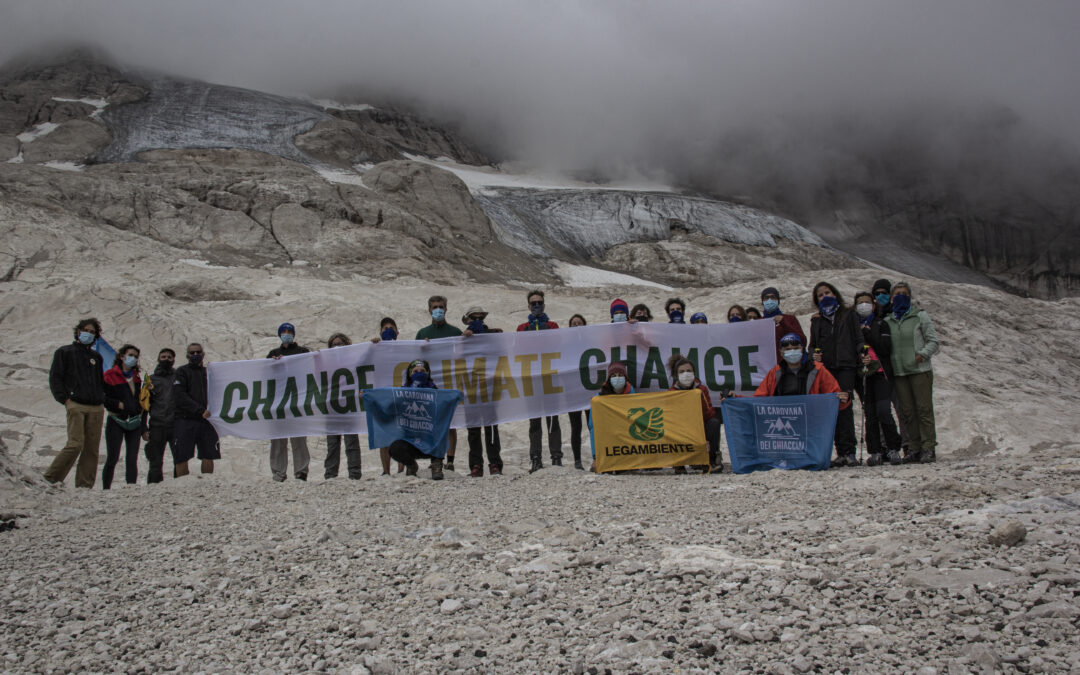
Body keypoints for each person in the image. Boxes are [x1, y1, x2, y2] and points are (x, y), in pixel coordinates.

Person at [44, 318, 106, 488]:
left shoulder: (96, 357)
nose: (88, 334)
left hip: (95, 406)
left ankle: (84, 485)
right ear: (78, 331)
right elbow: (56, 377)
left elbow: (99, 381)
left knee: (91, 448)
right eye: (86, 330)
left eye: (92, 332)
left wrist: (102, 397)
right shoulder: (65, 352)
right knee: (75, 444)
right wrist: (65, 399)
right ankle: (51, 478)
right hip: (76, 404)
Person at [884, 282, 940, 464]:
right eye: (897, 294)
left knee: (923, 409)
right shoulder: (889, 321)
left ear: (909, 296)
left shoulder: (920, 316)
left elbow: (933, 341)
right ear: (892, 298)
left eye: (904, 293)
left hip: (919, 370)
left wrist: (922, 355)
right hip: (900, 372)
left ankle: (928, 446)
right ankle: (914, 448)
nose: (901, 296)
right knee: (907, 412)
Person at [809, 282, 864, 467]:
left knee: (845, 405)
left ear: (835, 294)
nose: (825, 297)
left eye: (827, 292)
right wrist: (813, 355)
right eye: (820, 295)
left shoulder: (849, 315)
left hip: (846, 366)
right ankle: (839, 451)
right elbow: (812, 345)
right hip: (827, 369)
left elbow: (858, 338)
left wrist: (862, 352)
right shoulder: (817, 321)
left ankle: (849, 451)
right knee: (832, 409)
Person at [853, 292, 903, 466]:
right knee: (870, 413)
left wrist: (868, 334)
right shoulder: (852, 327)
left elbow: (885, 348)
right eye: (860, 303)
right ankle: (875, 450)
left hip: (881, 373)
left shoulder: (881, 324)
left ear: (874, 306)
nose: (863, 305)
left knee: (883, 410)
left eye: (867, 302)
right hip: (864, 374)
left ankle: (893, 447)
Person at [517, 289, 562, 472]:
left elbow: (559, 346)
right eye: (533, 303)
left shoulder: (553, 326)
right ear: (528, 306)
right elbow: (518, 349)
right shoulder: (522, 328)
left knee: (553, 419)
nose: (537, 305)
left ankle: (556, 458)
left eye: (539, 303)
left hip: (550, 376)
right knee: (534, 421)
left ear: (544, 305)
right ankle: (535, 459)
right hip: (531, 378)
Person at [416, 296, 461, 470]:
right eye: (434, 307)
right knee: (432, 423)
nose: (438, 310)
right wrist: (421, 346)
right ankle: (436, 459)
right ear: (429, 310)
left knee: (450, 423)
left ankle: (450, 460)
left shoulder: (455, 332)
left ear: (446, 309)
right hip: (430, 383)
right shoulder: (422, 333)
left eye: (441, 307)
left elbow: (464, 354)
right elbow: (415, 358)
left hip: (450, 381)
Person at [387, 360, 448, 480]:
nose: (419, 373)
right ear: (410, 374)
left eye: (422, 371)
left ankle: (436, 465)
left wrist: (457, 395)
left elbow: (447, 405)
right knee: (395, 449)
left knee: (441, 435)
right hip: (411, 441)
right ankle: (411, 465)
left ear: (428, 373)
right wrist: (368, 396)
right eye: (415, 371)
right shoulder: (402, 393)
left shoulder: (436, 392)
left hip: (431, 441)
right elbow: (388, 406)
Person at [754, 333, 851, 407]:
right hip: (783, 419)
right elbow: (759, 399)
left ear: (802, 349)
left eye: (796, 348)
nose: (792, 351)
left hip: (811, 419)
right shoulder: (774, 373)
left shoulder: (817, 370)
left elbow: (835, 396)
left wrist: (844, 399)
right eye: (787, 349)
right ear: (781, 352)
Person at [462, 306, 504, 477]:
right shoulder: (463, 338)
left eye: (480, 317)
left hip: (488, 387)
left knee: (491, 426)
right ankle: (476, 465)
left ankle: (495, 463)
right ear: (468, 319)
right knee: (473, 428)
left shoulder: (492, 336)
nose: (478, 320)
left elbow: (500, 354)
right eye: (474, 317)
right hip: (470, 387)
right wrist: (463, 339)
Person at [267, 322, 310, 481]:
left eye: (289, 331)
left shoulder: (303, 352)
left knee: (299, 438)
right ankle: (278, 473)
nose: (287, 333)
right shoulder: (273, 353)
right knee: (278, 439)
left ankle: (301, 472)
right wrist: (273, 363)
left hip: (297, 400)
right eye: (284, 331)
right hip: (279, 401)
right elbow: (266, 374)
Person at [101, 344, 147, 489]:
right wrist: (117, 404)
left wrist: (143, 425)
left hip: (134, 420)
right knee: (112, 457)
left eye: (135, 356)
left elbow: (141, 400)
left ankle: (131, 488)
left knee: (132, 458)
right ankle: (106, 488)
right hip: (116, 419)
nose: (133, 358)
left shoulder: (136, 378)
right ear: (122, 357)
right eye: (130, 355)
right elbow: (103, 396)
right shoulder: (109, 375)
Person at [668, 355, 724, 473]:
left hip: (700, 425)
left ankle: (710, 460)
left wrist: (700, 404)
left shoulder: (702, 389)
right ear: (677, 375)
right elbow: (671, 416)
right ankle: (679, 463)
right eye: (682, 372)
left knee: (714, 423)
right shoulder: (672, 392)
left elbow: (711, 413)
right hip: (682, 428)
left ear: (694, 373)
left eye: (689, 371)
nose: (686, 374)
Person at [172, 343, 219, 476]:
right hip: (185, 419)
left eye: (198, 352)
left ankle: (207, 483)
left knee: (209, 453)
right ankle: (183, 484)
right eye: (192, 353)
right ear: (187, 355)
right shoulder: (181, 372)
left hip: (207, 420)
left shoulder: (208, 373)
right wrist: (199, 410)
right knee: (182, 455)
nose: (195, 355)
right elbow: (180, 395)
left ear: (203, 354)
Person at [324, 333, 362, 480]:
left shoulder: (354, 361)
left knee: (351, 441)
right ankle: (330, 474)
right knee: (332, 443)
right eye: (334, 345)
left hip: (349, 406)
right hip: (332, 407)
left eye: (340, 344)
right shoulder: (325, 363)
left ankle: (354, 473)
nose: (337, 347)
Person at [589, 361, 635, 472]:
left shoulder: (632, 395)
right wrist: (596, 457)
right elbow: (593, 425)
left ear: (625, 378)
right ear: (609, 379)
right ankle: (599, 459)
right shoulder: (600, 398)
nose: (617, 378)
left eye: (620, 375)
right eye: (613, 376)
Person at [372, 317, 404, 475]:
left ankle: (401, 469)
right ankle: (386, 471)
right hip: (382, 397)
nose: (389, 330)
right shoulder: (374, 349)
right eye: (385, 328)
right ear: (380, 332)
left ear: (397, 332)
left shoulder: (405, 349)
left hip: (400, 396)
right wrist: (372, 346)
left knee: (401, 435)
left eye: (392, 328)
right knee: (384, 434)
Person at [142, 348, 177, 483]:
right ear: (158, 359)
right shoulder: (150, 380)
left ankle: (180, 488)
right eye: (163, 357)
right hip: (157, 425)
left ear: (173, 360)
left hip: (175, 425)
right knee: (155, 461)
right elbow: (144, 405)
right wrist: (143, 428)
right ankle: (153, 488)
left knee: (179, 459)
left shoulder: (179, 378)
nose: (166, 359)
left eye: (169, 357)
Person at [566, 313, 590, 469]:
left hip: (588, 390)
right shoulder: (566, 346)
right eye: (573, 323)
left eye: (579, 323)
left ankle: (596, 457)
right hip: (573, 392)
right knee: (576, 427)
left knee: (592, 425)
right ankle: (577, 461)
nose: (576, 326)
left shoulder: (590, 343)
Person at [760, 287, 806, 363]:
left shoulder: (790, 319)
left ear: (778, 301)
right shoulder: (759, 322)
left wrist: (784, 323)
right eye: (766, 298)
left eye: (773, 297)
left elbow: (803, 340)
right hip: (767, 364)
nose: (769, 300)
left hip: (788, 364)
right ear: (762, 302)